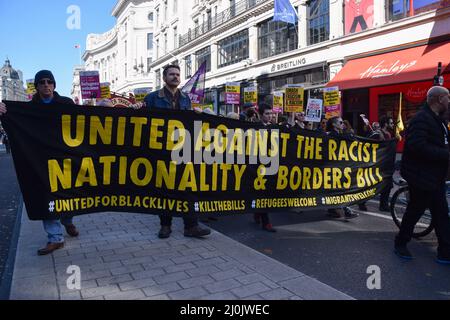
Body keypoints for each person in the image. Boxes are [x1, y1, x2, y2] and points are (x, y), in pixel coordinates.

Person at [0, 70, 79, 255]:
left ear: (54, 84)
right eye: (42, 82)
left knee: (68, 193)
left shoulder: (66, 103)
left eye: (49, 81)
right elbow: (11, 118)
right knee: (46, 195)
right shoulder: (30, 107)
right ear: (36, 86)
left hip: (65, 157)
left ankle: (67, 221)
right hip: (41, 160)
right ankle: (55, 238)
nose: (46, 85)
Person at [143, 64, 211, 239]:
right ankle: (165, 225)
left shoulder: (185, 98)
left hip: (182, 148)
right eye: (172, 74)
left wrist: (195, 114)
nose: (175, 77)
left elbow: (187, 121)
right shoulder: (152, 98)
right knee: (164, 188)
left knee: (188, 186)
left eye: (177, 74)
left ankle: (191, 226)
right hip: (162, 150)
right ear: (164, 78)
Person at [395, 86, 450, 264]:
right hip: (421, 176)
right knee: (414, 212)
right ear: (439, 99)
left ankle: (445, 252)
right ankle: (400, 243)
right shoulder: (421, 119)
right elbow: (416, 147)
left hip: (435, 176)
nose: (449, 101)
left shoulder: (438, 119)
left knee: (441, 214)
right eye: (448, 98)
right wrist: (445, 154)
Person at [326, 116, 359, 219]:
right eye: (340, 122)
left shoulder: (340, 134)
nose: (342, 124)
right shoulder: (332, 135)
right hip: (332, 167)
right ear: (334, 124)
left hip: (339, 167)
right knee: (338, 190)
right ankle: (345, 210)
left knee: (337, 190)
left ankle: (334, 210)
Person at [251, 103, 276, 232]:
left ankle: (258, 212)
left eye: (271, 113)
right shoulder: (254, 128)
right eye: (267, 114)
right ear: (260, 115)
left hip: (271, 163)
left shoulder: (274, 128)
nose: (270, 116)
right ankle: (266, 222)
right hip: (258, 164)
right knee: (262, 192)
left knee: (266, 192)